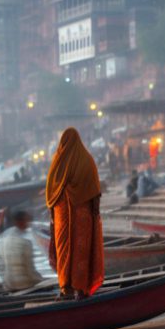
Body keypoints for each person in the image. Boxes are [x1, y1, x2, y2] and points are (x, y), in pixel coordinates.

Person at [45, 128, 104, 299]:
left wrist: (52, 216)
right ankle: (80, 289)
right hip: (82, 217)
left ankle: (66, 289)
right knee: (81, 251)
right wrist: (95, 212)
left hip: (62, 218)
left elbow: (51, 195)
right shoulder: (87, 161)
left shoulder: (57, 163)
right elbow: (95, 192)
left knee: (64, 250)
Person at [0, 209, 44, 291]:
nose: (28, 223)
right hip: (24, 285)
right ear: (21, 222)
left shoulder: (3, 237)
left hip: (8, 285)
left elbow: (1, 267)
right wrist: (42, 281)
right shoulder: (25, 242)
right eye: (27, 220)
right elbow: (30, 271)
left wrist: (5, 283)